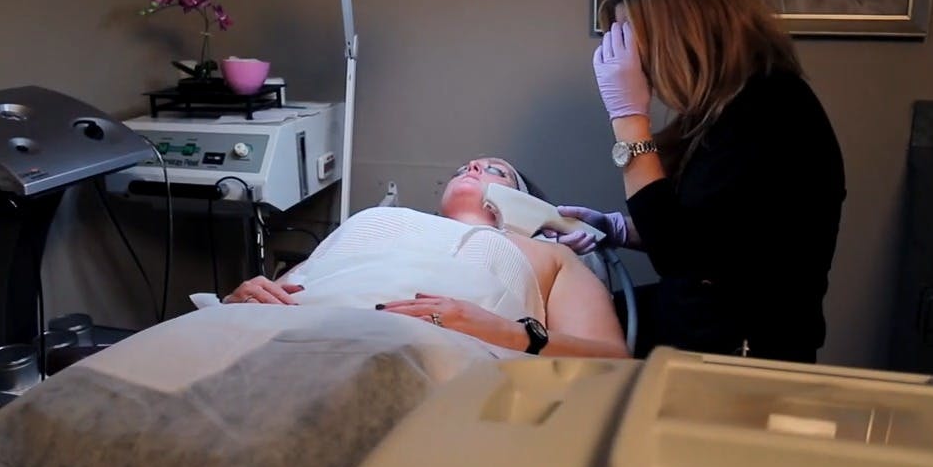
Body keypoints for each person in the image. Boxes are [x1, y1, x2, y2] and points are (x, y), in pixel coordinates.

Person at [556, 0, 845, 363]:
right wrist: (617, 228)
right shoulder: (727, 107)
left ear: (675, 31)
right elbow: (711, 233)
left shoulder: (771, 111)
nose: (633, 62)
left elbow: (678, 254)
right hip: (699, 331)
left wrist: (628, 117)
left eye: (630, 40)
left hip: (744, 357)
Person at [224, 157, 629, 359]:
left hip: (424, 363)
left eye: (496, 171)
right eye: (465, 166)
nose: (472, 167)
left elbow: (614, 362)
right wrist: (240, 300)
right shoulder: (376, 220)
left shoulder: (550, 255)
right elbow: (283, 290)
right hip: (284, 340)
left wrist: (509, 332)